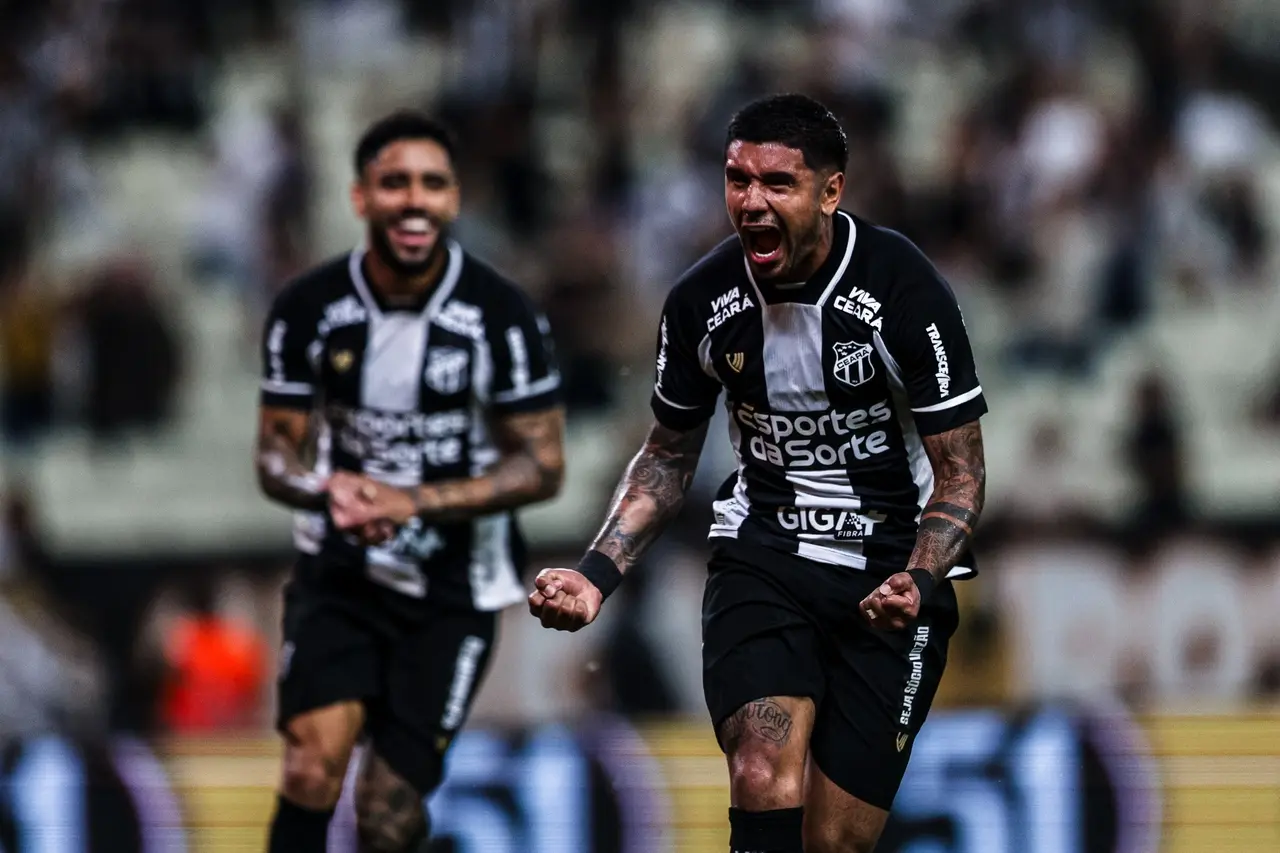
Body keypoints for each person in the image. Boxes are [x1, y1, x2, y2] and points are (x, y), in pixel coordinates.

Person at [530, 93, 988, 853]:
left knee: (836, 841)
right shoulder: (701, 301)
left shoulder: (904, 288)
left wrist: (921, 575)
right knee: (761, 768)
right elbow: (667, 457)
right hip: (765, 558)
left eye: (778, 182)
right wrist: (596, 573)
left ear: (831, 192)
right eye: (737, 179)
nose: (751, 201)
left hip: (889, 577)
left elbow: (962, 474)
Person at [256, 110, 565, 852]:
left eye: (433, 183)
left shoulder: (502, 316)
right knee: (309, 767)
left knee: (387, 811)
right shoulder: (307, 309)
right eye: (395, 183)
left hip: (454, 589)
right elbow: (274, 453)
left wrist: (415, 501)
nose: (415, 200)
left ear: (454, 198)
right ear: (361, 197)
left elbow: (542, 464)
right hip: (341, 575)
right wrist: (325, 491)